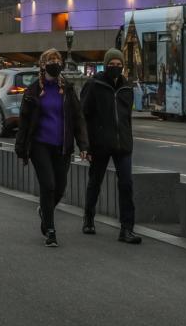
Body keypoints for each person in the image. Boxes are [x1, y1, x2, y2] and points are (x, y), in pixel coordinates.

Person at [15, 48, 89, 248]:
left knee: (60, 187)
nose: (55, 62)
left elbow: (77, 118)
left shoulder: (67, 89)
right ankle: (50, 230)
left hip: (62, 146)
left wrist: (83, 144)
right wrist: (21, 151)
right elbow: (24, 122)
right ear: (43, 64)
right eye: (51, 60)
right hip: (40, 145)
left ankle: (44, 211)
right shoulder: (33, 91)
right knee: (47, 185)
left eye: (58, 59)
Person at [80, 48, 142, 244]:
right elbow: (84, 116)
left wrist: (128, 139)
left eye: (118, 64)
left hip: (123, 144)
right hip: (100, 144)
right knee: (95, 182)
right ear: (105, 65)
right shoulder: (94, 85)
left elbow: (127, 118)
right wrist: (86, 145)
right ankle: (88, 218)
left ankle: (127, 229)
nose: (115, 67)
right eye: (111, 64)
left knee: (126, 185)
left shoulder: (127, 87)